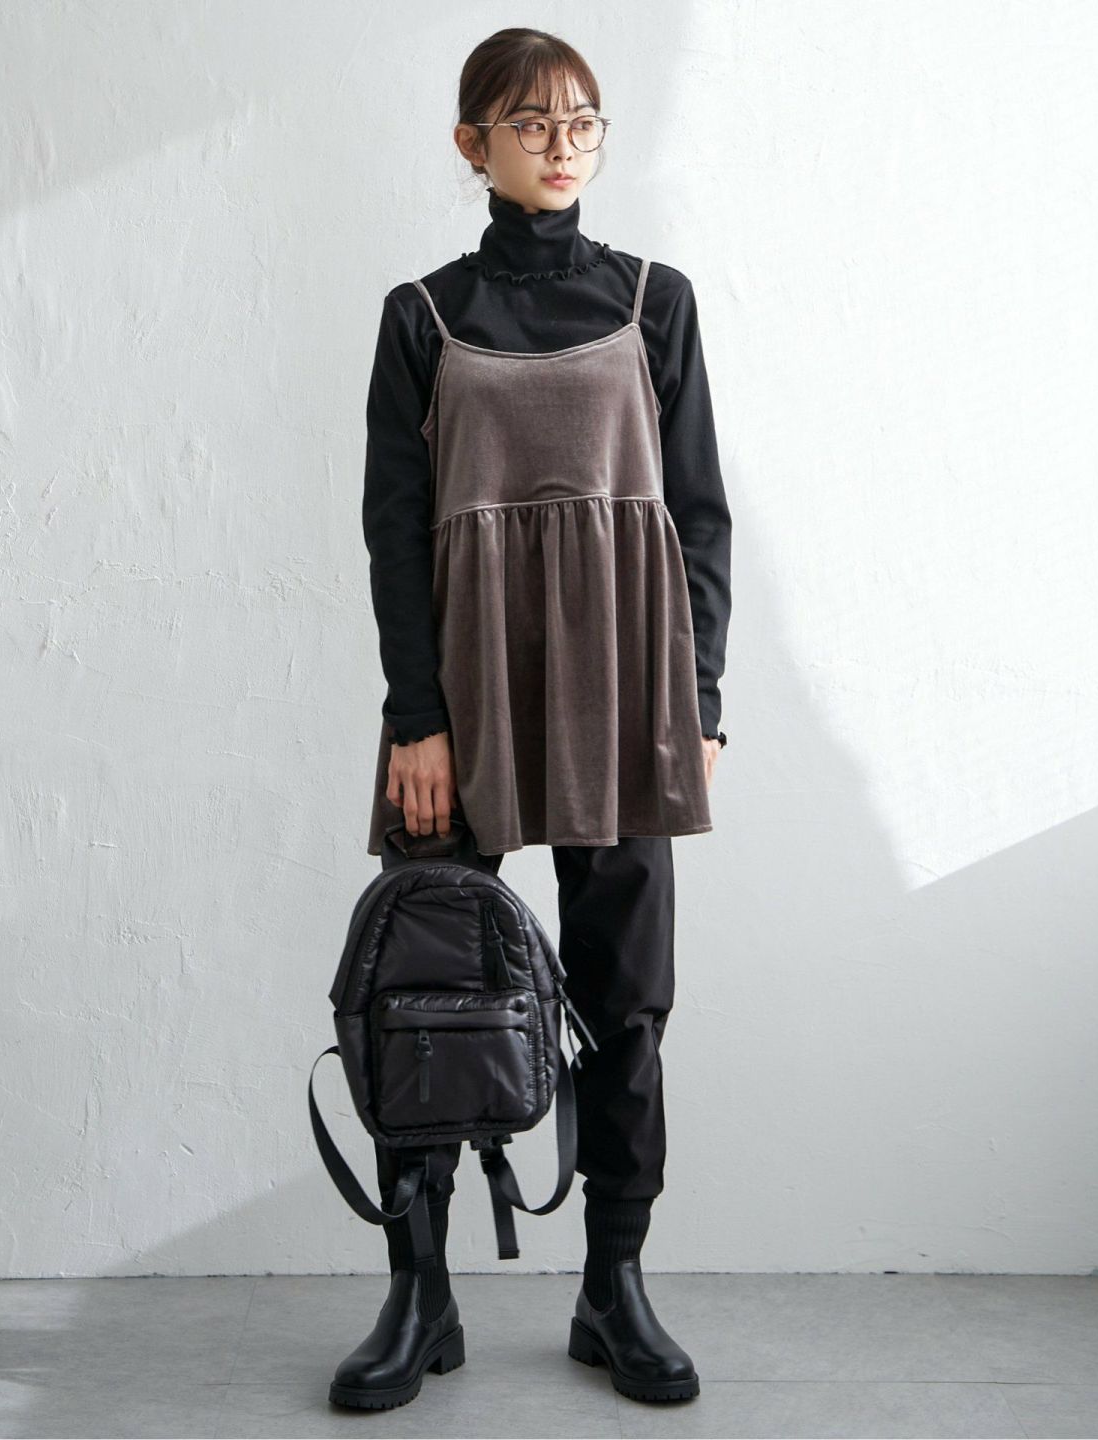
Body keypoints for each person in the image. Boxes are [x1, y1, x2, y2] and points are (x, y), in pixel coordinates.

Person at [331, 27, 732, 1411]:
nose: (563, 144)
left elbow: (699, 515)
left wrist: (702, 701)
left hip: (625, 698)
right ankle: (420, 1292)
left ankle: (614, 1291)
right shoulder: (421, 317)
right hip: (463, 699)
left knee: (627, 1004)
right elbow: (394, 535)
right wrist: (416, 721)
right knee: (423, 992)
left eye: (582, 121)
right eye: (531, 122)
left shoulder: (656, 302)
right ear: (473, 144)